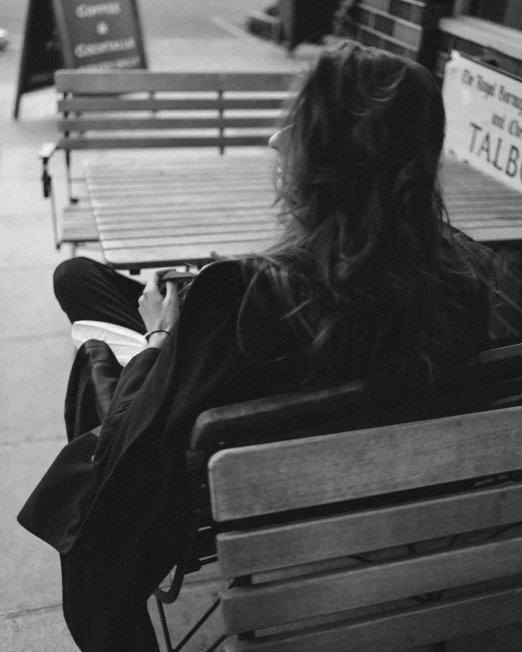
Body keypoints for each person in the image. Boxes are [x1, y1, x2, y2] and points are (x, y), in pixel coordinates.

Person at [18, 43, 498, 652]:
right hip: (360, 467)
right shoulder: (467, 278)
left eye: (293, 128)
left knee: (91, 340)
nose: (275, 141)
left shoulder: (250, 299)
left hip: (220, 490)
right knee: (81, 277)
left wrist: (161, 336)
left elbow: (137, 444)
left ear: (325, 163)